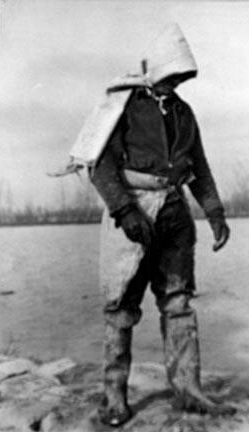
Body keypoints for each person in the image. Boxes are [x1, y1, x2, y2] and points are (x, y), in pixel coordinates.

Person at [87, 23, 234, 427]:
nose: (175, 83)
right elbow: (100, 165)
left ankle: (189, 392)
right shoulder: (123, 107)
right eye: (171, 75)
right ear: (156, 69)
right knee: (120, 306)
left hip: (174, 214)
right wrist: (125, 211)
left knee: (179, 303)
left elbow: (199, 168)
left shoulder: (185, 114)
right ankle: (114, 398)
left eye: (181, 77)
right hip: (132, 215)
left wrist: (215, 213)